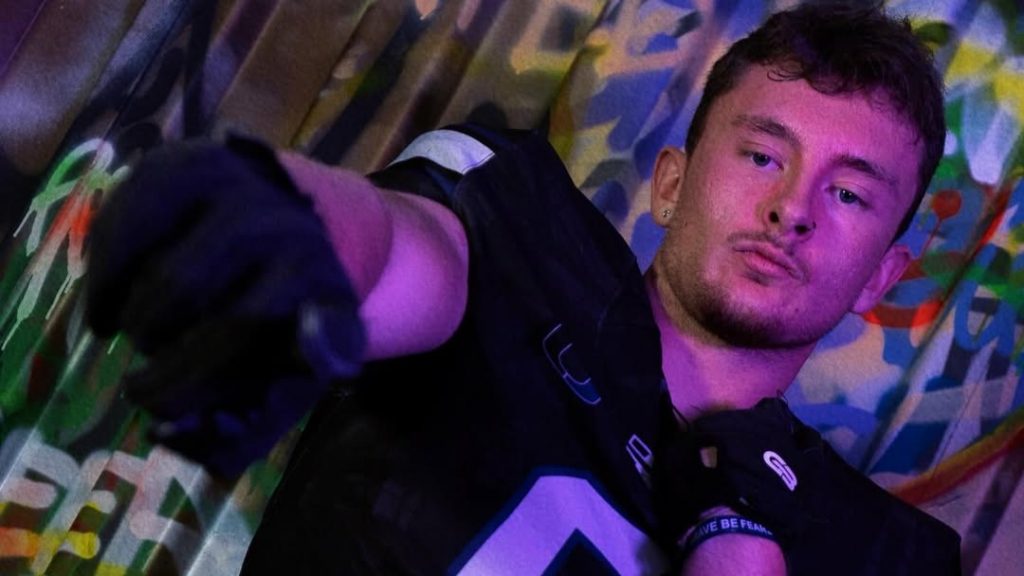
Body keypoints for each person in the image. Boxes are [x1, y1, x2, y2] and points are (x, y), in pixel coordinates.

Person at [84, 2, 961, 574]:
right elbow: (398, 254)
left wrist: (739, 547)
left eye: (850, 195)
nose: (791, 209)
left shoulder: (883, 555)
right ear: (669, 184)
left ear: (883, 274)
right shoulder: (519, 237)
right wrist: (276, 223)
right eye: (763, 155)